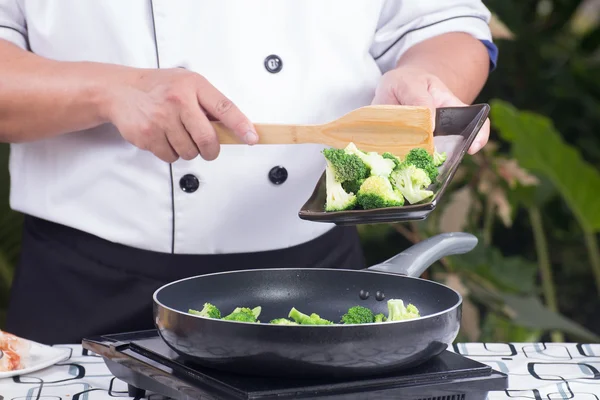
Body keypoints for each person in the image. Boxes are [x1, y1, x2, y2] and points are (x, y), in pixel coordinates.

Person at [0, 1, 497, 345]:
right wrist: (110, 90)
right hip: (83, 287)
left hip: (320, 282)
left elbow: (441, 24)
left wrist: (426, 82)